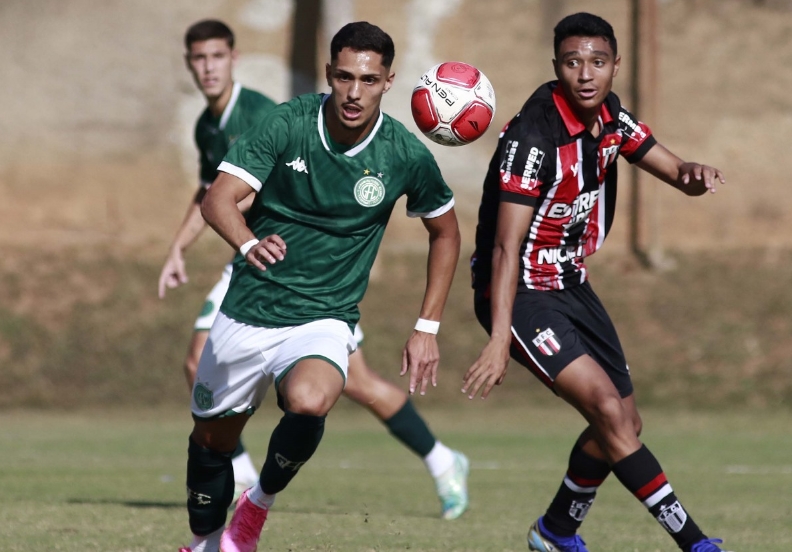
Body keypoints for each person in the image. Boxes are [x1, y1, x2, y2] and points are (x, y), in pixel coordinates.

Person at [160, 19, 470, 521]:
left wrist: (427, 327)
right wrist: (243, 241)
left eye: (369, 80)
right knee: (212, 431)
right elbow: (216, 197)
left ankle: (255, 498)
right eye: (344, 77)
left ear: (389, 82)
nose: (354, 91)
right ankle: (211, 521)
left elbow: (447, 232)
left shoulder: (403, 154)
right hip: (253, 292)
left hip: (325, 308)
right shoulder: (276, 122)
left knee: (313, 397)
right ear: (328, 73)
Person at [465, 12, 729, 552]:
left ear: (614, 65)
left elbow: (675, 173)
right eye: (572, 62)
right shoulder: (534, 137)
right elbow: (504, 247)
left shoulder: (610, 115)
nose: (586, 73)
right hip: (519, 293)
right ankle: (697, 544)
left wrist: (695, 175)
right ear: (557, 66)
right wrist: (498, 340)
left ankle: (556, 530)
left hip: (571, 283)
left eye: (598, 61)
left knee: (626, 420)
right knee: (608, 411)